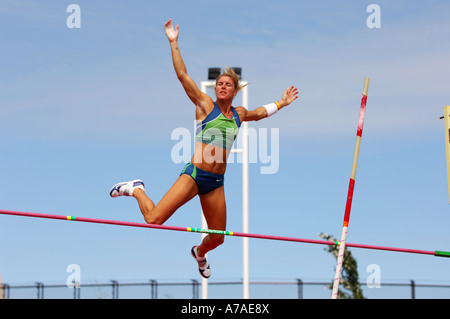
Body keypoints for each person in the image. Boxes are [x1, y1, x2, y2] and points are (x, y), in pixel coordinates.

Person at [109, 19, 299, 279]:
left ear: (235, 91)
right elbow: (182, 76)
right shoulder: (204, 105)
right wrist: (174, 43)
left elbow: (260, 113)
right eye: (219, 83)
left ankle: (199, 252)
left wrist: (282, 102)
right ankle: (137, 190)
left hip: (216, 182)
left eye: (227, 84)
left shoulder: (238, 114)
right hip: (195, 175)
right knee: (154, 219)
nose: (221, 86)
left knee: (219, 237)